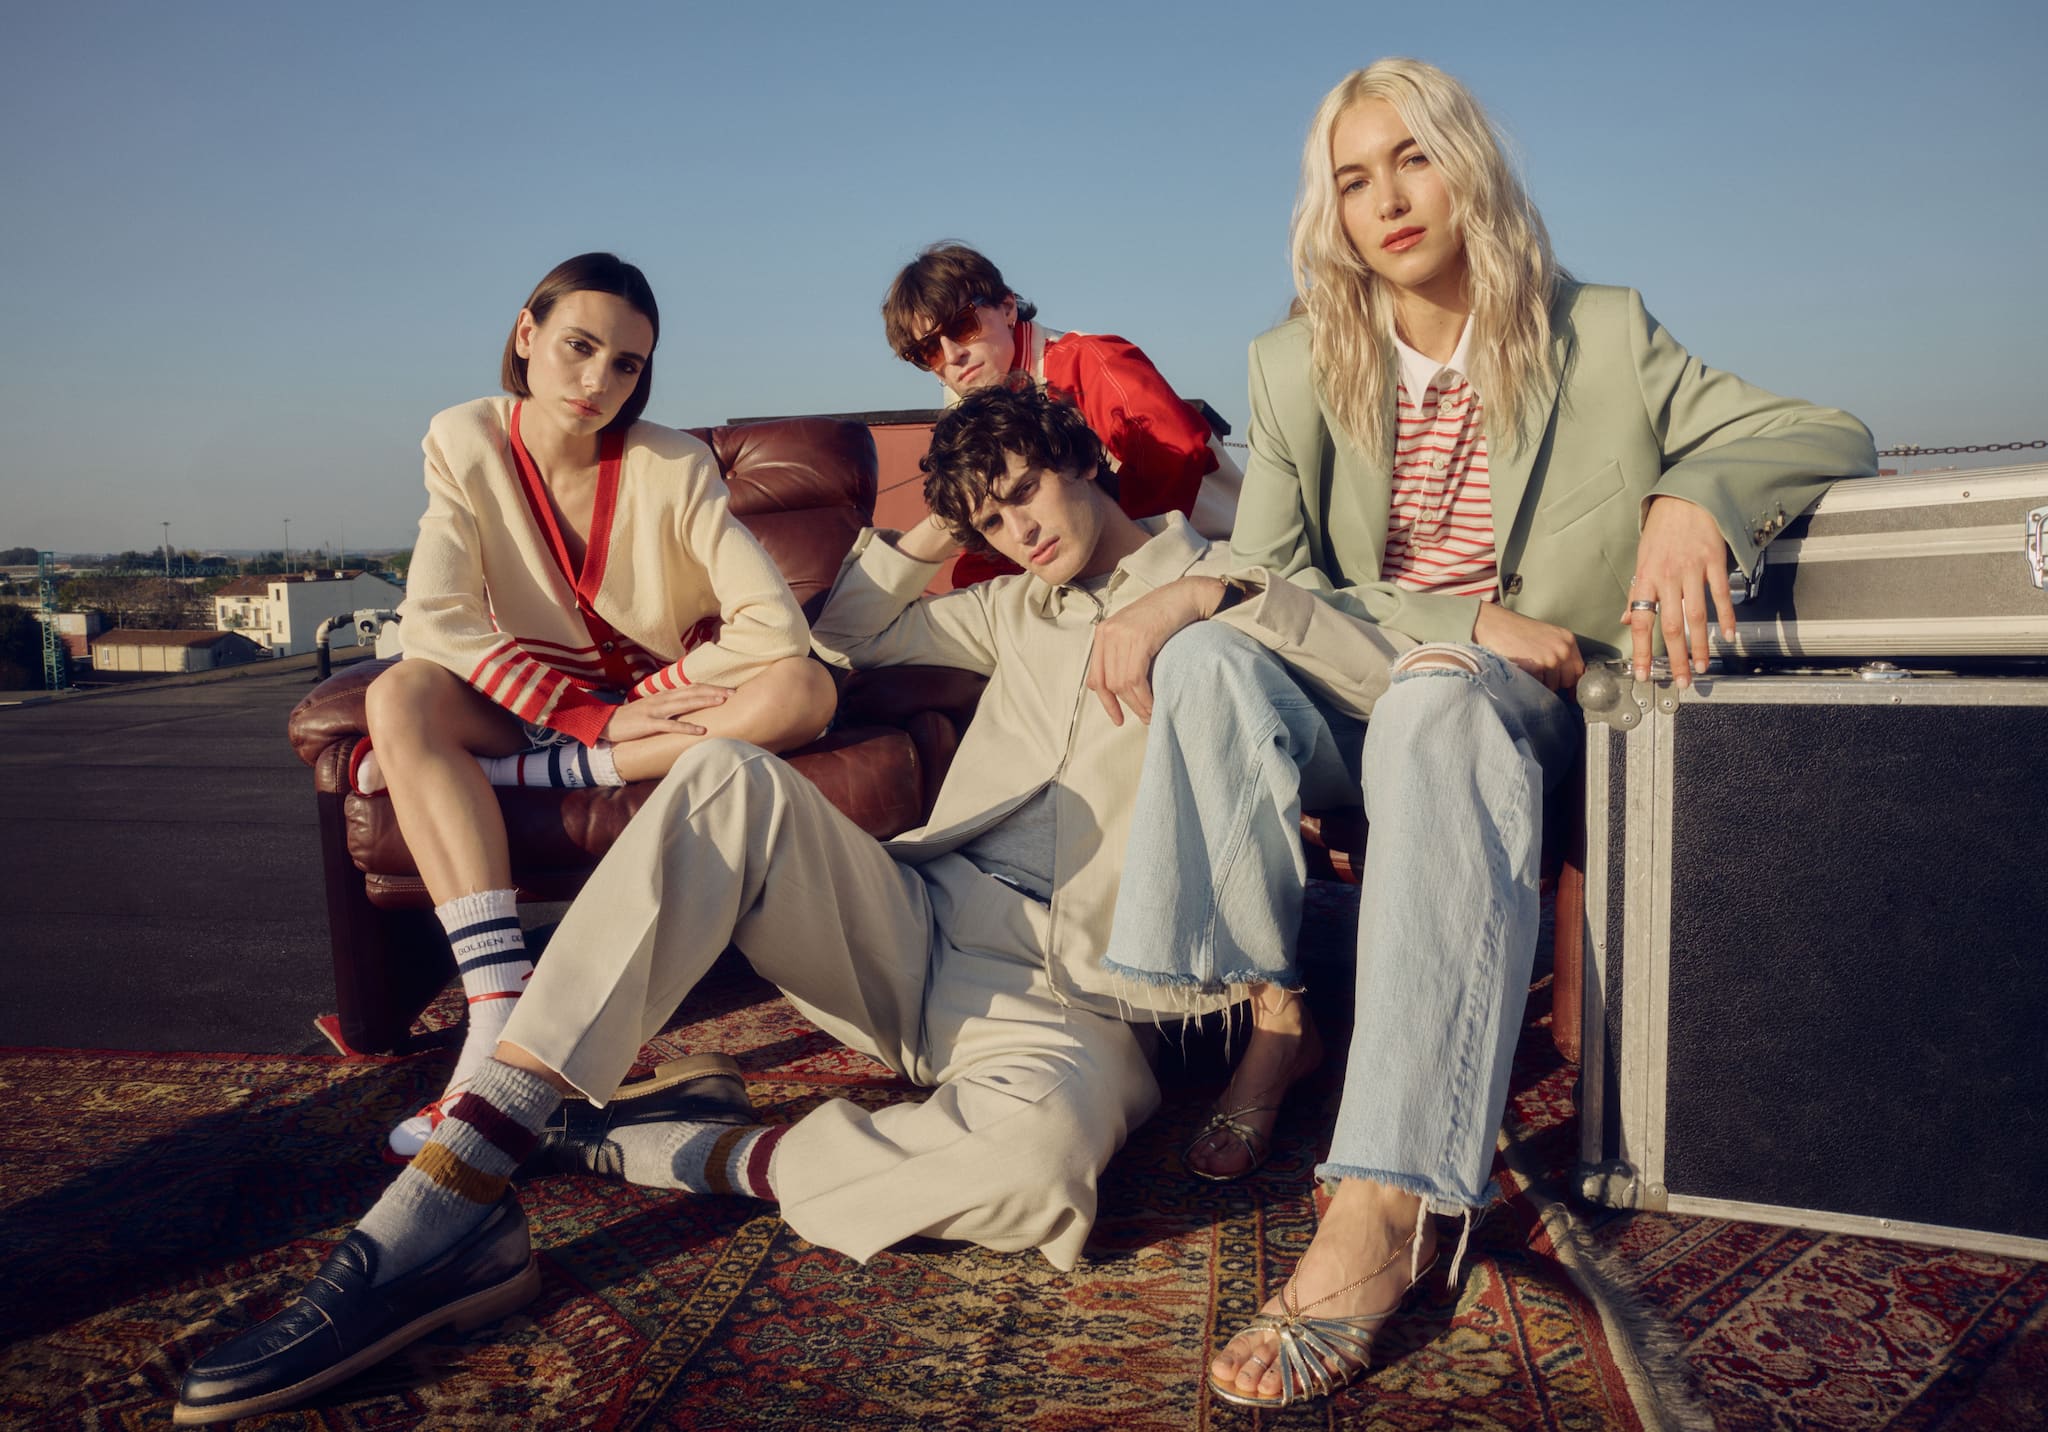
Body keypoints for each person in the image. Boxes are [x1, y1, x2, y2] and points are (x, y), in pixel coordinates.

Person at [172, 383, 1403, 1426]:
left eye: (1026, 491)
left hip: (1078, 1003)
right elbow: (839, 626)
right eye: (990, 514)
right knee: (724, 777)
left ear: (1086, 459)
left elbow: (1373, 672)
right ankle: (455, 1184)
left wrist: (1187, 600)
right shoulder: (1009, 606)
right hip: (918, 924)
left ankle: (660, 1145)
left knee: (1036, 1168)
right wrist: (937, 522)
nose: (1016, 530)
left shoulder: (1232, 585)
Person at [1094, 59, 1878, 1409]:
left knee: (1442, 695)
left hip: (1519, 710)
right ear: (1327, 212)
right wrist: (1444, 615)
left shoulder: (1603, 334)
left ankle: (1387, 1202)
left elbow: (1831, 431)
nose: (1387, 199)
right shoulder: (1294, 368)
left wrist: (1696, 490)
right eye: (1353, 179)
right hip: (1365, 691)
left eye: (1412, 158)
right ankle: (1242, 1009)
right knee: (1219, 650)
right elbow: (1273, 585)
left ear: (1469, 166)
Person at [350, 253, 837, 1158]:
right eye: (579, 346)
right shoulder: (464, 440)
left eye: (627, 365)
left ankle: (550, 775)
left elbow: (773, 631)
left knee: (806, 689)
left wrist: (638, 707)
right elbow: (438, 620)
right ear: (526, 335)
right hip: (535, 703)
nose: (598, 380)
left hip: (663, 702)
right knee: (401, 693)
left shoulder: (675, 463)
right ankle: (495, 1008)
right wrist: (591, 720)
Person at [883, 241, 1239, 581]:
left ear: (1007, 308)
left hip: (1212, 554)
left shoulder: (1091, 363)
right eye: (929, 350)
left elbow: (1176, 454)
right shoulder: (969, 416)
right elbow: (986, 546)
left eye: (963, 325)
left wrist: (1118, 569)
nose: (951, 355)